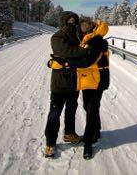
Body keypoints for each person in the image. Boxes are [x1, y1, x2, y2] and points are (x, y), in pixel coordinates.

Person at [43, 11, 105, 158]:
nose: (71, 23)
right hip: (59, 83)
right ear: (63, 22)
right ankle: (50, 143)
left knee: (71, 111)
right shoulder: (57, 36)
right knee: (54, 113)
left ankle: (69, 133)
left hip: (75, 82)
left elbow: (92, 38)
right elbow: (65, 51)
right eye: (68, 21)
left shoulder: (78, 37)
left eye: (73, 21)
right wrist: (83, 51)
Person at [77, 16, 110, 160]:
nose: (84, 26)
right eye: (82, 24)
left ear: (91, 26)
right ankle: (96, 130)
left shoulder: (95, 40)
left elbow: (88, 60)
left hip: (98, 79)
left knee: (91, 109)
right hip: (87, 80)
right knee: (88, 106)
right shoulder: (83, 38)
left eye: (87, 24)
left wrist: (73, 61)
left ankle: (88, 143)